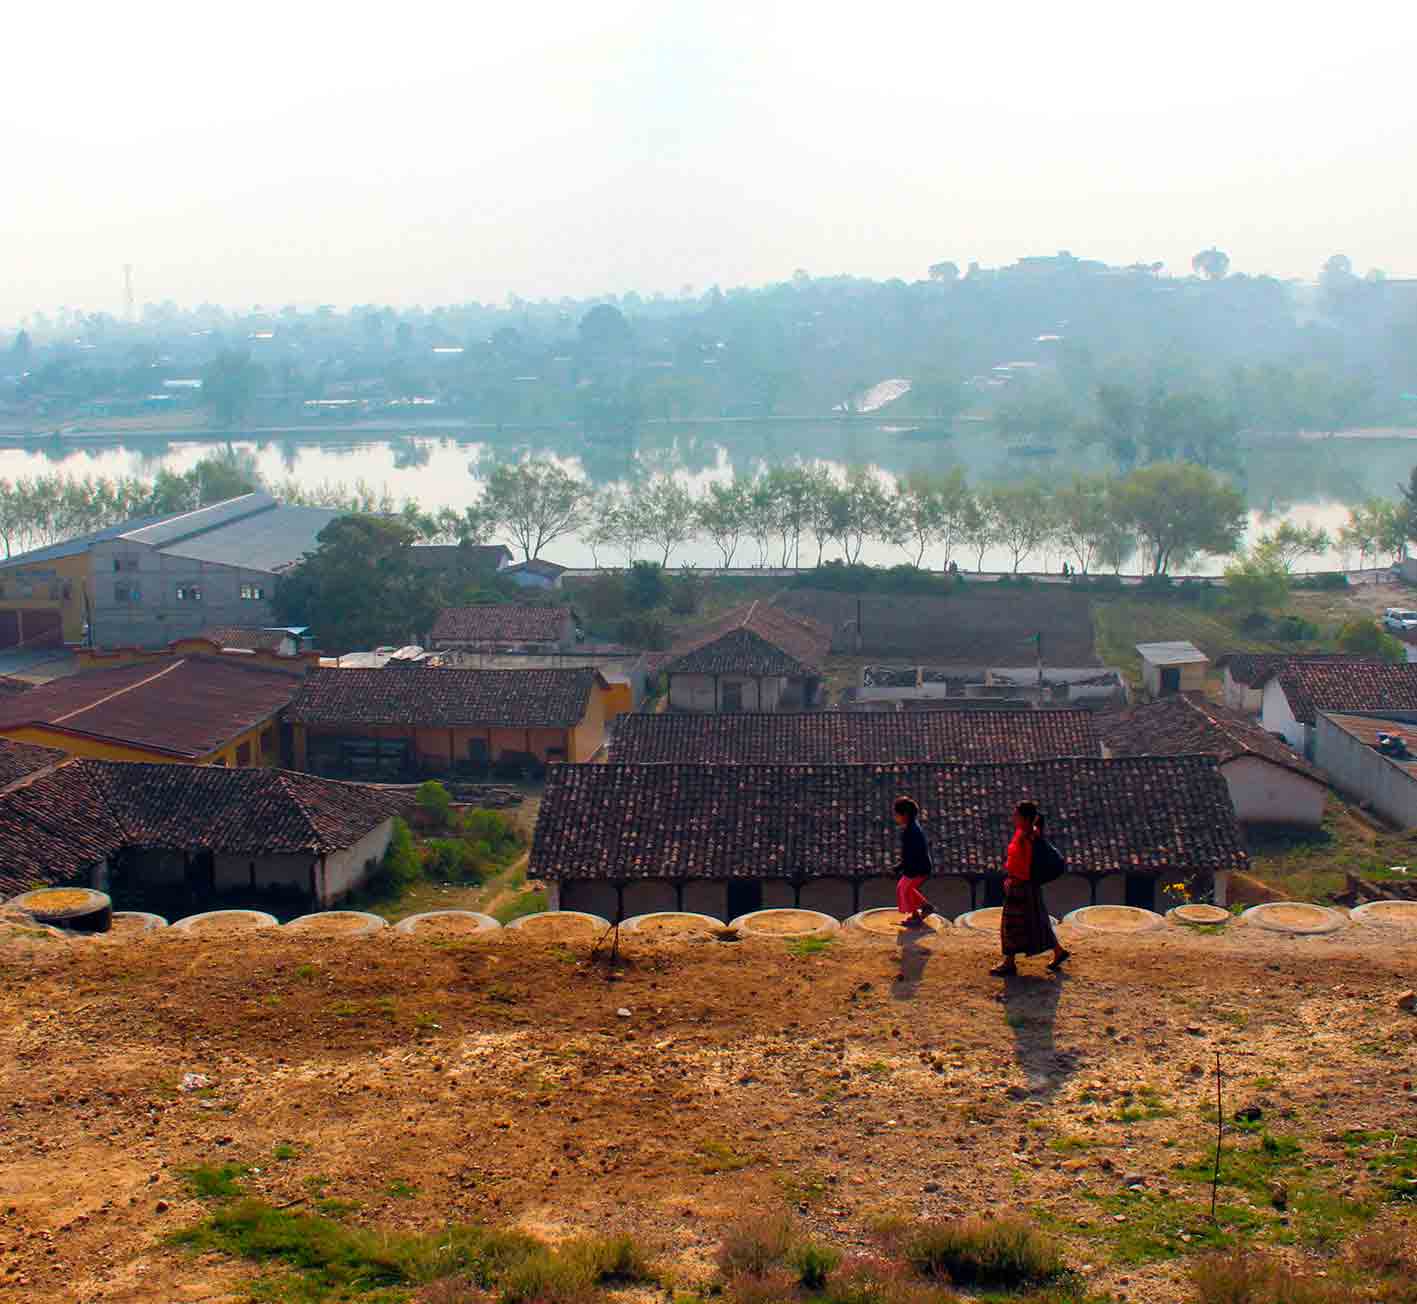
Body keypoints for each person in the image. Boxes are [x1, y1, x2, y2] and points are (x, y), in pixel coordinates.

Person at [991, 799, 1070, 976]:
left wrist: (1014, 879)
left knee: (1010, 924)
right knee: (1037, 921)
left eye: (1016, 815)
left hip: (1021, 886)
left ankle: (1009, 963)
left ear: (1026, 819)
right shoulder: (1024, 833)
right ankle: (1058, 951)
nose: (1013, 817)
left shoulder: (1030, 838)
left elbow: (1024, 864)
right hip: (1024, 885)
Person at [892, 795, 935, 928]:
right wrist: (901, 866)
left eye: (896, 814)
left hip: (918, 868)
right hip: (917, 867)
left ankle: (919, 913)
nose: (895, 817)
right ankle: (922, 909)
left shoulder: (911, 832)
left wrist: (902, 867)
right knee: (906, 888)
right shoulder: (911, 828)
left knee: (904, 889)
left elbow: (912, 854)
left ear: (904, 815)